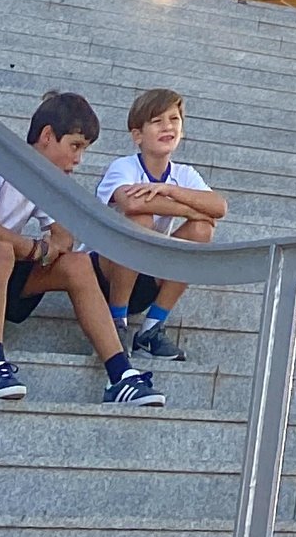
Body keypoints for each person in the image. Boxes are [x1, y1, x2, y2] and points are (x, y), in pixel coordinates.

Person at [0, 89, 163, 406]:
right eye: (74, 146)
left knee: (78, 264)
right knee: (1, 249)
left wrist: (47, 247)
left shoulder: (44, 181)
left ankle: (121, 375)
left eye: (83, 150)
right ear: (47, 136)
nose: (78, 159)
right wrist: (33, 249)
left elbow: (64, 239)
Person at [95, 85, 228, 364]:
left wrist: (170, 191)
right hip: (104, 273)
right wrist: (187, 209)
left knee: (202, 229)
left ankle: (151, 329)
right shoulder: (124, 167)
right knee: (140, 219)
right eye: (157, 121)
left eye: (174, 119)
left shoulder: (183, 174)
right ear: (137, 136)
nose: (168, 126)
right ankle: (116, 322)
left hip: (147, 272)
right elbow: (132, 204)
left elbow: (219, 207)